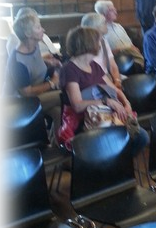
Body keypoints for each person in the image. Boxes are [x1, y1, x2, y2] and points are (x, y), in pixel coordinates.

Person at [58, 26, 148, 155]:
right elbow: (77, 106)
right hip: (85, 120)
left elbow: (114, 89)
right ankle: (115, 162)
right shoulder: (69, 69)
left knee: (140, 136)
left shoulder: (94, 65)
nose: (100, 44)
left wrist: (126, 103)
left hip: (104, 114)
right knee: (126, 139)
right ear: (88, 44)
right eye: (98, 41)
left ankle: (119, 162)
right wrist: (107, 101)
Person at [2, 13, 61, 139]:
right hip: (18, 104)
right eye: (38, 27)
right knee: (64, 95)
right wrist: (52, 82)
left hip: (37, 95)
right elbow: (27, 93)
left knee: (58, 111)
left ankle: (57, 144)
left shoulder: (34, 47)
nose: (43, 29)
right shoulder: (17, 61)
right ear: (28, 34)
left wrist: (48, 62)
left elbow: (33, 63)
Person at [94, 0, 144, 71]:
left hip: (133, 55)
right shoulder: (101, 31)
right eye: (111, 10)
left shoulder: (119, 26)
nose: (115, 12)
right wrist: (124, 49)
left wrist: (134, 48)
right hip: (120, 59)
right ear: (103, 14)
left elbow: (129, 43)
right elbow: (103, 54)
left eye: (114, 9)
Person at [81, 13, 122, 89]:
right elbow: (88, 74)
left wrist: (117, 81)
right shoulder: (84, 46)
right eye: (104, 23)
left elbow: (113, 65)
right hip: (94, 82)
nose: (106, 24)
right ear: (95, 27)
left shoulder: (103, 41)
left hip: (108, 77)